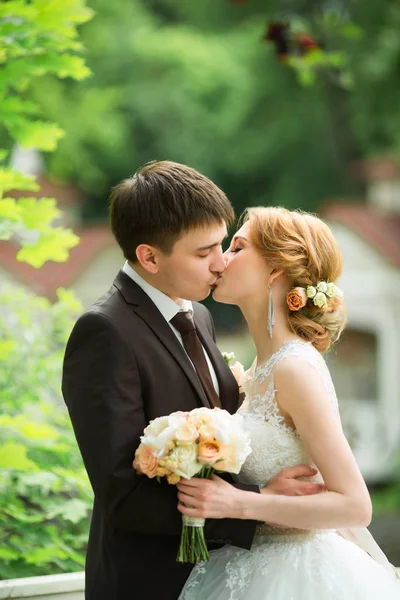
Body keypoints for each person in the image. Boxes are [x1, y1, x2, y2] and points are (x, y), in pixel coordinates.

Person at [61, 162, 323, 600]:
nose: (221, 263)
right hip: (149, 582)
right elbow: (122, 496)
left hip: (225, 576)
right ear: (149, 256)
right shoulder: (104, 333)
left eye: (222, 245)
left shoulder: (197, 314)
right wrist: (255, 505)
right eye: (203, 254)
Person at [177, 206, 400, 599]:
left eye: (237, 247)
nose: (221, 258)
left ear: (276, 269)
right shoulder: (255, 370)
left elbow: (354, 506)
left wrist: (239, 504)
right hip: (241, 565)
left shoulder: (295, 368)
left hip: (299, 576)